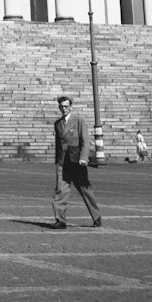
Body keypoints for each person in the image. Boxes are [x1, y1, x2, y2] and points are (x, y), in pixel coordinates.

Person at [50, 95, 102, 229]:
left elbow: (85, 140)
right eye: (61, 107)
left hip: (77, 161)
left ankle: (96, 216)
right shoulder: (57, 123)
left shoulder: (78, 120)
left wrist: (84, 157)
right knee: (60, 191)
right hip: (63, 163)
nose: (64, 109)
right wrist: (58, 160)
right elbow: (58, 144)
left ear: (71, 107)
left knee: (85, 190)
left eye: (66, 106)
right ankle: (60, 220)